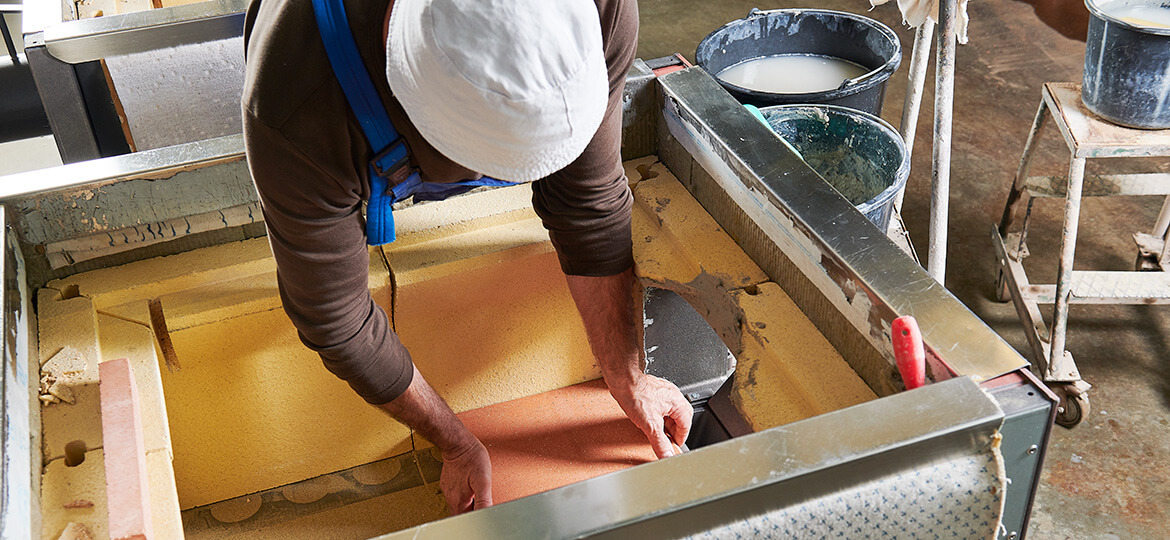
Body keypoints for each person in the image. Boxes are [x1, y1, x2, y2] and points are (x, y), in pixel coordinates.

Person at [241, 0, 692, 515]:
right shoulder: (294, 105)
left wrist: (628, 376)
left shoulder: (602, 10)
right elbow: (335, 320)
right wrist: (453, 443)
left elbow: (588, 206)